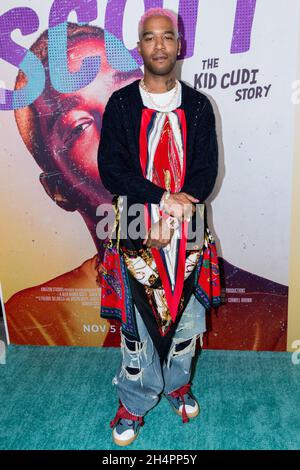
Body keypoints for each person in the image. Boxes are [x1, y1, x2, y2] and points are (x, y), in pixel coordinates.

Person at [97, 7, 221, 446]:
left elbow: (206, 171)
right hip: (136, 228)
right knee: (139, 327)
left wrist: (178, 206)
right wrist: (158, 202)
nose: (160, 45)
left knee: (186, 322)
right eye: (150, 38)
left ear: (179, 44)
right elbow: (112, 169)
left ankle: (177, 385)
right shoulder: (122, 104)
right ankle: (133, 401)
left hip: (187, 229)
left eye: (167, 36)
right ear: (139, 47)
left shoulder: (200, 106)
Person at [5, 22, 142, 346]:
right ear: (57, 189)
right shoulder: (34, 323)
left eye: (130, 96)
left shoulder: (264, 316)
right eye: (79, 128)